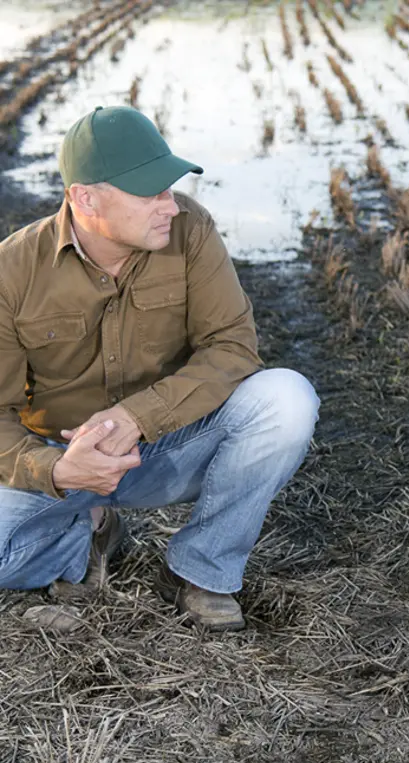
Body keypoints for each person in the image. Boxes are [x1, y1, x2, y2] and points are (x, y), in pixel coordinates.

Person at [0, 106, 319, 631]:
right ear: (85, 198)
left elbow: (234, 347)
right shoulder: (13, 270)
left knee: (286, 399)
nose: (169, 205)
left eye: (169, 188)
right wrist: (54, 471)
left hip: (168, 447)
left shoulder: (190, 230)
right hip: (65, 465)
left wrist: (136, 416)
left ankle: (201, 571)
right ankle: (88, 531)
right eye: (150, 192)